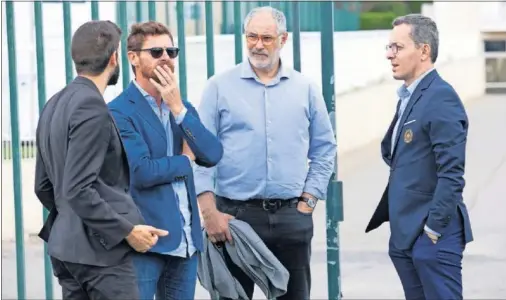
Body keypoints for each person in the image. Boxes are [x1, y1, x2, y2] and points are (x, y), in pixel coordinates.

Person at [194, 6, 337, 300]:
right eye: (252, 36)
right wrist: (209, 214)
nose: (258, 45)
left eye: (267, 38)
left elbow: (324, 149)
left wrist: (308, 201)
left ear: (282, 40)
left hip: (291, 217)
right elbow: (199, 153)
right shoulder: (218, 87)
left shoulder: (306, 89)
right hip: (233, 219)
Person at [34, 20, 169, 299]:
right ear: (114, 58)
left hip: (67, 251)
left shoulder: (54, 103)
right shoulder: (91, 106)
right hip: (100, 258)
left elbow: (44, 185)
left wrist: (71, 219)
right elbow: (77, 188)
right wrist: (127, 231)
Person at [108, 21, 223, 300]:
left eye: (171, 51)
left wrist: (178, 108)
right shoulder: (119, 111)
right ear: (133, 57)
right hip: (147, 243)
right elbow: (142, 171)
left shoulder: (181, 107)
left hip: (186, 244)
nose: (166, 58)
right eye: (156, 51)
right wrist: (185, 160)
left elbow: (212, 154)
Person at [365, 14, 474, 300]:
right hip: (406, 236)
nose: (390, 55)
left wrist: (433, 231)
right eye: (389, 47)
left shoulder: (440, 97)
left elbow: (452, 173)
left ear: (424, 50)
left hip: (433, 238)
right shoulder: (409, 96)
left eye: (398, 47)